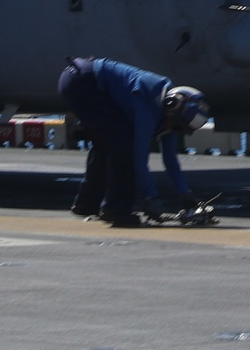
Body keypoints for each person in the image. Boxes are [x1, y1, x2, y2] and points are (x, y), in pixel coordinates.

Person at [58, 57, 209, 226]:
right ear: (172, 108)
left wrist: (185, 195)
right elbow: (139, 159)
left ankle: (86, 204)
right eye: (178, 126)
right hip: (82, 83)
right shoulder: (148, 102)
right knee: (124, 145)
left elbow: (170, 159)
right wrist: (150, 198)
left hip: (78, 79)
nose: (176, 131)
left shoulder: (171, 113)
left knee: (105, 145)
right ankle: (116, 210)